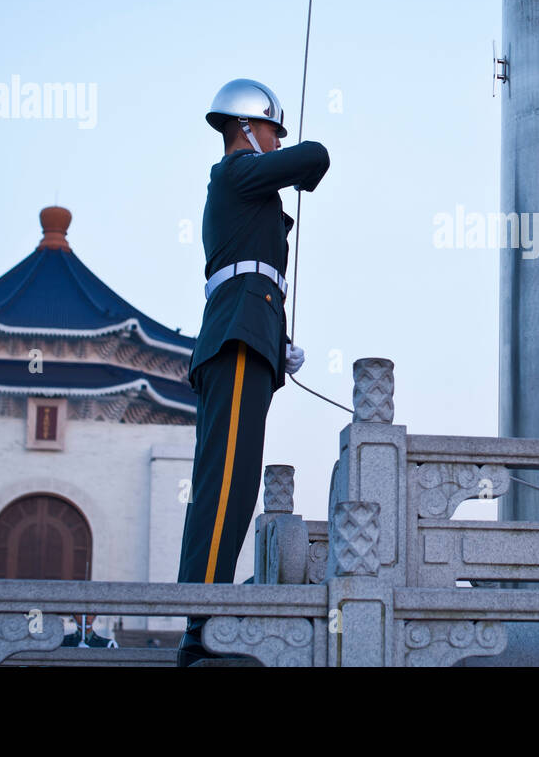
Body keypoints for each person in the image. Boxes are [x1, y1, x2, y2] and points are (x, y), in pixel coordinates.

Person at [176, 78, 330, 666]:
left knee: (228, 486)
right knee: (226, 490)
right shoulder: (236, 172)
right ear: (245, 127)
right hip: (239, 337)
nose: (275, 139)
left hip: (249, 335)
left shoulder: (247, 191)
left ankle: (201, 617)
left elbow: (258, 270)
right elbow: (315, 156)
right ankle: (201, 626)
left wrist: (280, 335)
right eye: (270, 128)